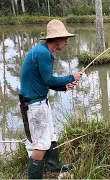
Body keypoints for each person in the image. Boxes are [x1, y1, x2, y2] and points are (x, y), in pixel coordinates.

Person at [19, 19, 83, 179]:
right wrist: (71, 77)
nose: (67, 43)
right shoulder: (43, 53)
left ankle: (53, 166)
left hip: (40, 101)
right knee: (40, 145)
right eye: (65, 39)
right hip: (34, 105)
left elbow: (44, 81)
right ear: (56, 39)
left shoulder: (44, 52)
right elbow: (48, 80)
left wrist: (65, 86)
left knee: (51, 135)